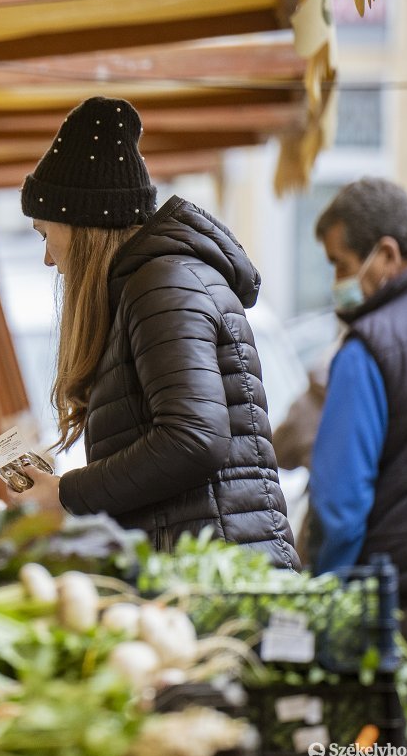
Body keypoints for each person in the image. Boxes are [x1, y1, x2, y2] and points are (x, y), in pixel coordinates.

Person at [18, 96, 298, 568]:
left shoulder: (162, 284)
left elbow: (194, 438)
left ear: (85, 224)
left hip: (218, 576)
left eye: (46, 233)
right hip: (206, 565)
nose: (48, 258)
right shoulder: (148, 286)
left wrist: (66, 496)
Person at [309, 177, 407, 755]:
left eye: (341, 264)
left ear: (386, 255)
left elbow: (339, 506)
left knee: (399, 755)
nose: (339, 283)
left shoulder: (369, 347)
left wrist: (328, 606)